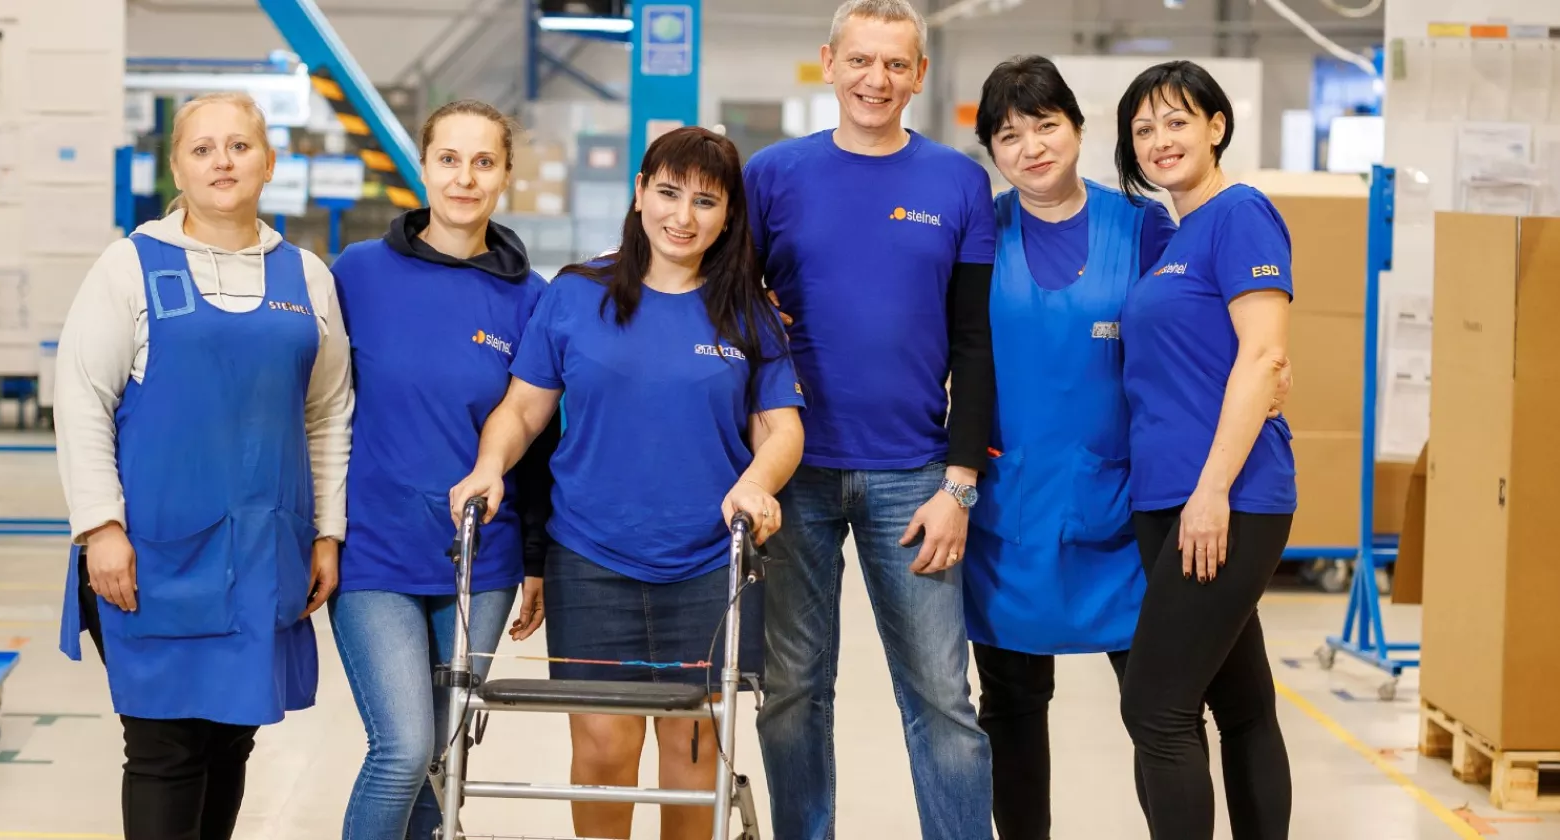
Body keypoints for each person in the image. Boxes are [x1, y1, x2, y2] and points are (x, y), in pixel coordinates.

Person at [448, 126, 806, 840]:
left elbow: (782, 428)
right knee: (604, 752)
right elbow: (522, 408)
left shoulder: (746, 311)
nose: (683, 215)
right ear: (639, 192)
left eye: (705, 201)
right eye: (668, 192)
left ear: (729, 214)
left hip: (710, 565)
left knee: (692, 759)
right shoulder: (577, 295)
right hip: (592, 560)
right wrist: (488, 467)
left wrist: (759, 482)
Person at [52, 91, 353, 840]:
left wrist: (327, 533)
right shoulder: (130, 266)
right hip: (154, 554)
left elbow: (327, 412)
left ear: (269, 161)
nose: (223, 160)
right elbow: (82, 398)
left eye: (240, 145)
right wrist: (100, 528)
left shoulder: (307, 277)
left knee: (231, 736)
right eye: (203, 148)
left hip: (262, 554)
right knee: (166, 745)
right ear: (177, 166)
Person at [742, 1, 999, 837]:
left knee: (941, 697)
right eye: (861, 61)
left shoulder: (959, 182)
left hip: (915, 475)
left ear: (919, 75)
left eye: (895, 65)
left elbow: (974, 338)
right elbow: (722, 304)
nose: (876, 80)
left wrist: (961, 482)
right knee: (791, 694)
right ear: (829, 62)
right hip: (794, 470)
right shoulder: (773, 175)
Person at [326, 99, 558, 840]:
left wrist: (534, 559)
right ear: (423, 168)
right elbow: (317, 411)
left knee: (443, 765)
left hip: (480, 561)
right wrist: (317, 532)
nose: (465, 178)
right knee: (403, 749)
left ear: (506, 176)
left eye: (483, 162)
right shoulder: (357, 275)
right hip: (374, 552)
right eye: (449, 160)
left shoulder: (532, 299)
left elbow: (537, 439)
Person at [960, 55, 1176, 840]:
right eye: (1009, 134)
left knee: (1159, 711)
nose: (1032, 147)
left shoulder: (1144, 225)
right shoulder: (979, 232)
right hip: (1009, 510)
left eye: (1046, 125)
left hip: (1123, 513)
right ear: (991, 149)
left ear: (1080, 128)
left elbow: (1187, 345)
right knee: (1013, 710)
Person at [1114, 60, 1297, 840]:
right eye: (1144, 128)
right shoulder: (1173, 235)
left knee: (1155, 706)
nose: (1160, 140)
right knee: (1242, 703)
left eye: (1177, 120)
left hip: (1226, 497)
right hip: (1169, 498)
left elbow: (1264, 357)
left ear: (1217, 125)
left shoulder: (1241, 213)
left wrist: (1213, 489)